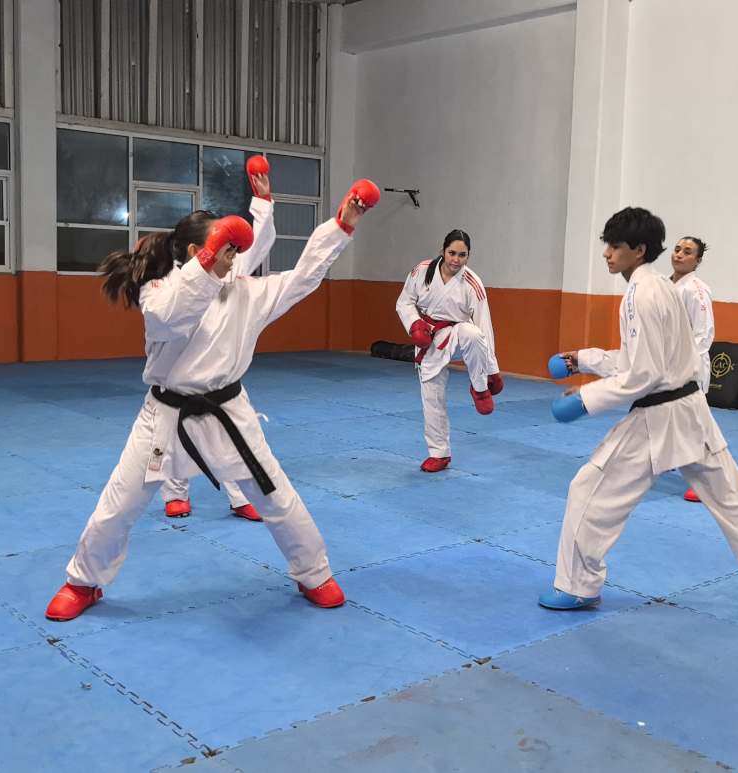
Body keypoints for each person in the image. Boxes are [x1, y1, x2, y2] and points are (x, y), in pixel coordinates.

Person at [44, 179, 380, 621]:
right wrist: (206, 262)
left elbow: (302, 278)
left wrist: (341, 226)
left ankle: (313, 572)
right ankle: (82, 582)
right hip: (165, 415)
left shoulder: (245, 291)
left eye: (233, 250)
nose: (234, 257)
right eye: (226, 249)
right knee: (119, 504)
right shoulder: (158, 290)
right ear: (195, 253)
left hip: (229, 414)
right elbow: (168, 319)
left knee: (277, 498)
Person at [539, 207, 738, 619]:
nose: (606, 253)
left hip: (658, 417)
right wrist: (582, 360)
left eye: (615, 245)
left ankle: (577, 587)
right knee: (733, 500)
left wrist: (585, 400)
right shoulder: (661, 287)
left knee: (588, 490)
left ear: (638, 250)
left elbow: (643, 373)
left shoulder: (642, 294)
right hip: (691, 410)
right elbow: (642, 358)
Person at [160, 155, 275, 524]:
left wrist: (263, 202)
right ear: (195, 249)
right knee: (172, 435)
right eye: (219, 238)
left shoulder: (230, 267)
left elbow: (258, 243)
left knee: (236, 435)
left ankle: (241, 495)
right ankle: (175, 493)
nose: (229, 247)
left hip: (222, 376)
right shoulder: (169, 282)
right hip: (180, 373)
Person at [395, 229, 503, 472]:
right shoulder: (422, 271)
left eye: (462, 255)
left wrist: (491, 370)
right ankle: (439, 454)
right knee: (431, 397)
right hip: (428, 339)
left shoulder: (472, 283)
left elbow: (484, 326)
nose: (456, 259)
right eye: (452, 253)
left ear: (468, 256)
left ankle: (479, 389)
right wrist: (415, 324)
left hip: (457, 336)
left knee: (473, 333)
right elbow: (404, 302)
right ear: (443, 251)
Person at [670, 236, 714, 503]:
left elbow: (703, 333)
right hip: (666, 366)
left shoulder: (696, 289)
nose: (679, 254)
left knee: (693, 424)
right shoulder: (667, 286)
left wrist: (686, 367)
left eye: (687, 252)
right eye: (677, 249)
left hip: (689, 367)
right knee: (662, 417)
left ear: (697, 261)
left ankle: (705, 480)